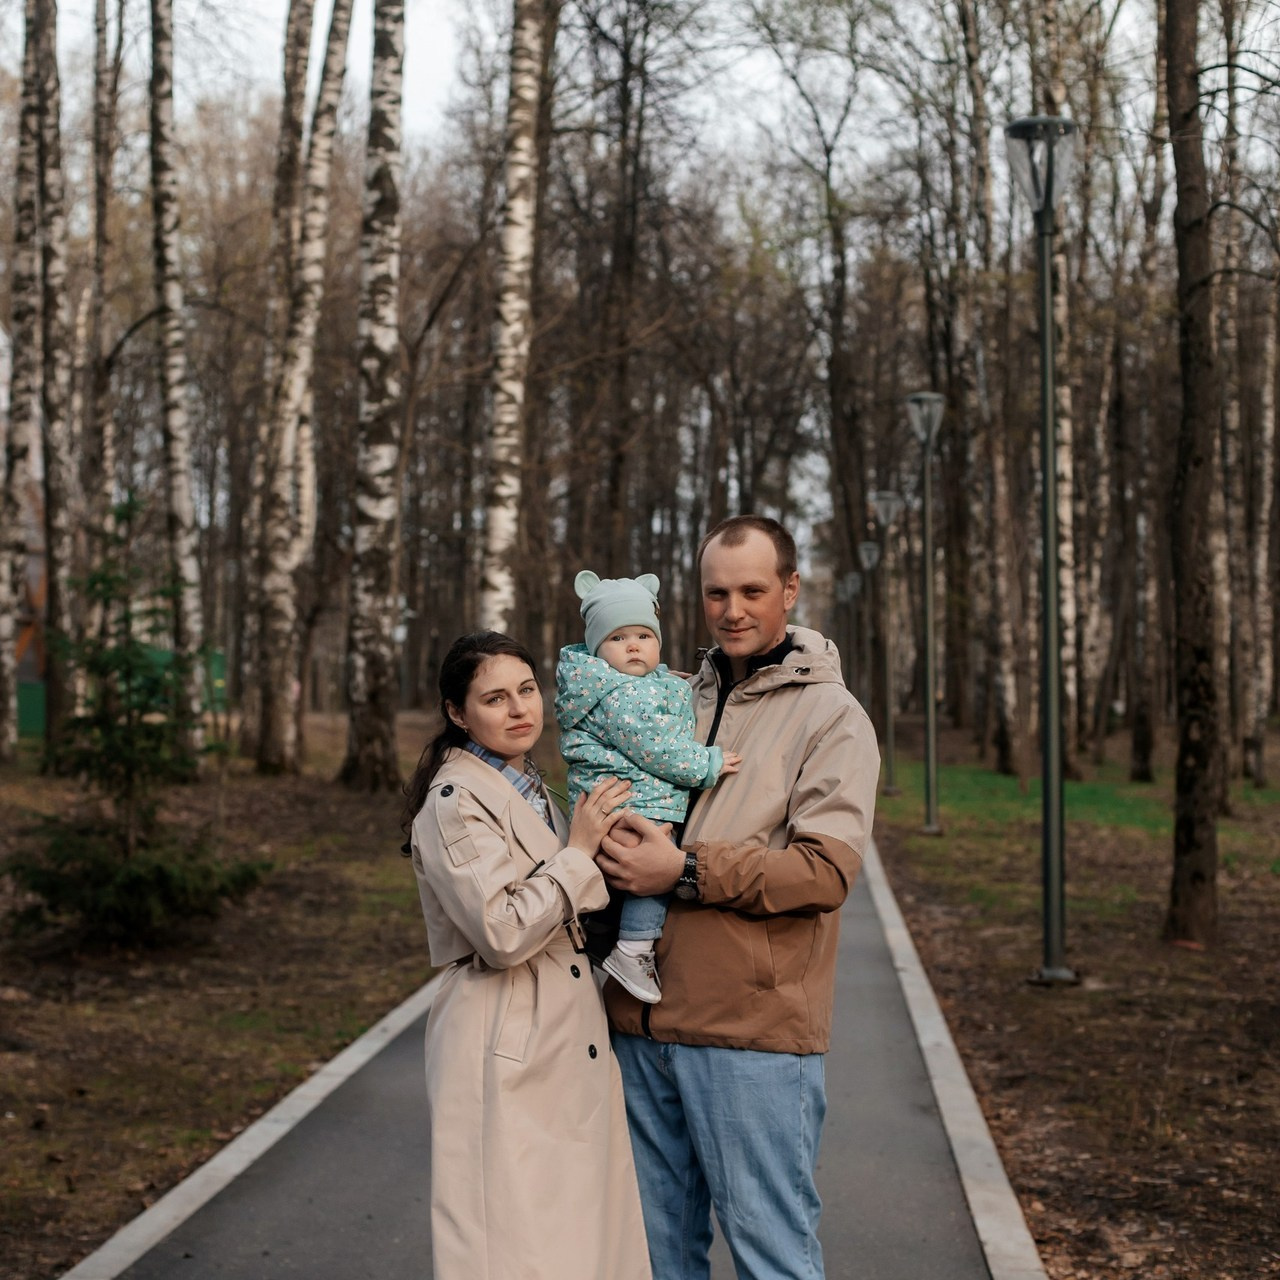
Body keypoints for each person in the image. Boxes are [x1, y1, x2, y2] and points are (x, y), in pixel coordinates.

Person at [596, 516, 880, 1280]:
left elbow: (823, 873)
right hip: (640, 1026)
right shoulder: (668, 699)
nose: (733, 609)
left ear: (790, 589)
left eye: (753, 590)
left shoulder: (833, 717)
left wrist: (682, 871)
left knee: (771, 1259)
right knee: (654, 1260)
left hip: (750, 1035)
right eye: (717, 592)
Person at [403, 631, 652, 1280]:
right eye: (494, 698)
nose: (518, 709)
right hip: (501, 1037)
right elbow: (501, 931)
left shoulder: (526, 784)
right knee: (514, 1250)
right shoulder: (455, 803)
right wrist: (579, 850)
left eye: (526, 690)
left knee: (576, 1242)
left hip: (563, 1033)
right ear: (459, 713)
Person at [554, 570, 741, 1004]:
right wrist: (707, 764)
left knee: (624, 876)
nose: (634, 645)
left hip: (623, 796)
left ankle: (605, 938)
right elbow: (658, 748)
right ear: (598, 649)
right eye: (618, 638)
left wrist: (666, 684)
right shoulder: (619, 697)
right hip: (629, 801)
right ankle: (634, 947)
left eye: (643, 635)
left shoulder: (625, 686)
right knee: (651, 865)